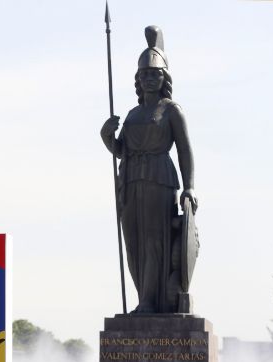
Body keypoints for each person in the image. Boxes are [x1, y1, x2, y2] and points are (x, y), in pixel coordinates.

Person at [100, 25, 198, 314]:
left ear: (164, 77)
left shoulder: (171, 110)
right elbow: (122, 152)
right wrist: (107, 137)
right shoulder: (132, 114)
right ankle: (143, 296)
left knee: (154, 241)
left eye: (154, 73)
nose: (149, 78)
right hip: (130, 182)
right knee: (134, 242)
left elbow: (185, 149)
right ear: (137, 79)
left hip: (159, 179)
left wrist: (190, 186)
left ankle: (149, 302)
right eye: (144, 74)